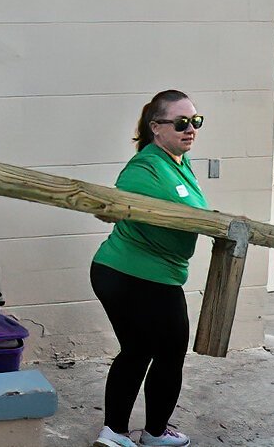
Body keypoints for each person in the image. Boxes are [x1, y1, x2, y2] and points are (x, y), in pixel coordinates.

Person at [89, 90, 208, 447]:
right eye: (181, 122)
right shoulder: (145, 166)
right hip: (133, 274)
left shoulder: (177, 164)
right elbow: (118, 201)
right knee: (169, 353)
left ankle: (116, 432)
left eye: (195, 122)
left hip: (152, 274)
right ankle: (152, 433)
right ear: (156, 127)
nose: (191, 129)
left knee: (140, 350)